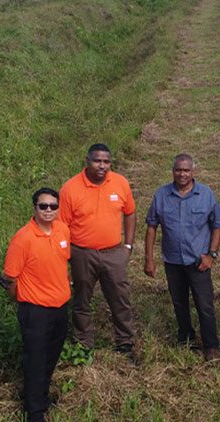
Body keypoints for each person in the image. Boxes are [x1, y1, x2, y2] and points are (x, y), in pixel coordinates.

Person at [1, 188, 71, 422]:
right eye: (43, 206)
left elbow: (62, 263)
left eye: (53, 206)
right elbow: (10, 278)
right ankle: (35, 418)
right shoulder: (23, 238)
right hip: (35, 311)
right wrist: (24, 301)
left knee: (51, 357)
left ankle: (40, 397)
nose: (49, 210)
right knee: (36, 361)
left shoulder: (62, 230)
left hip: (60, 308)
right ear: (34, 208)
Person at [144, 154, 220, 361]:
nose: (182, 174)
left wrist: (212, 255)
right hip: (172, 261)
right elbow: (152, 226)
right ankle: (185, 337)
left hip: (198, 261)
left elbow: (217, 226)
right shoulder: (162, 195)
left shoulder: (205, 194)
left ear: (193, 172)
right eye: (178, 170)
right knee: (179, 302)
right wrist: (149, 259)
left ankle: (211, 345)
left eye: (186, 170)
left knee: (204, 304)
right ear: (173, 171)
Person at [58, 143, 136, 358]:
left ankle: (125, 343)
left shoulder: (120, 183)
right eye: (97, 161)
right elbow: (61, 227)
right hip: (82, 253)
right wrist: (65, 258)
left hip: (114, 253)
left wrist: (128, 246)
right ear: (87, 161)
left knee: (120, 298)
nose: (102, 166)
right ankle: (83, 344)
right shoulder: (70, 188)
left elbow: (130, 213)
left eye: (106, 162)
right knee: (82, 300)